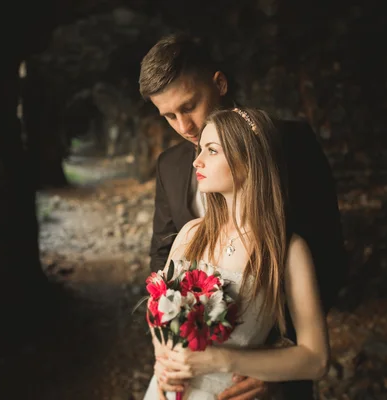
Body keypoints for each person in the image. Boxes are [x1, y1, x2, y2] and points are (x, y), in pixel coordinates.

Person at [140, 33, 346, 399]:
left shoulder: (290, 144)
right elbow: (163, 261)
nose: (184, 127)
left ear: (219, 84)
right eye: (169, 116)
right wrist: (166, 350)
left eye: (189, 106)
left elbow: (328, 256)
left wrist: (270, 362)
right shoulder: (171, 166)